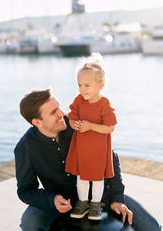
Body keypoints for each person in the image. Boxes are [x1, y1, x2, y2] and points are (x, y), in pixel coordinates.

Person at [14, 88, 161, 231]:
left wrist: (117, 198)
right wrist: (51, 200)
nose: (62, 113)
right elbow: (26, 190)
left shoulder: (78, 124)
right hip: (62, 201)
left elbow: (110, 157)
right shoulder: (25, 148)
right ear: (37, 122)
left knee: (152, 227)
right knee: (29, 223)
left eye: (58, 107)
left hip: (101, 195)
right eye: (53, 112)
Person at [65, 54, 117, 220]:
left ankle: (95, 204)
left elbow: (110, 127)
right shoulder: (79, 100)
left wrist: (90, 126)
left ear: (100, 85)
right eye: (79, 85)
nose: (82, 89)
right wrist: (75, 124)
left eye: (87, 85)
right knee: (81, 176)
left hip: (98, 148)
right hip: (81, 147)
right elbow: (71, 117)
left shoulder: (104, 104)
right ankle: (83, 202)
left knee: (96, 177)